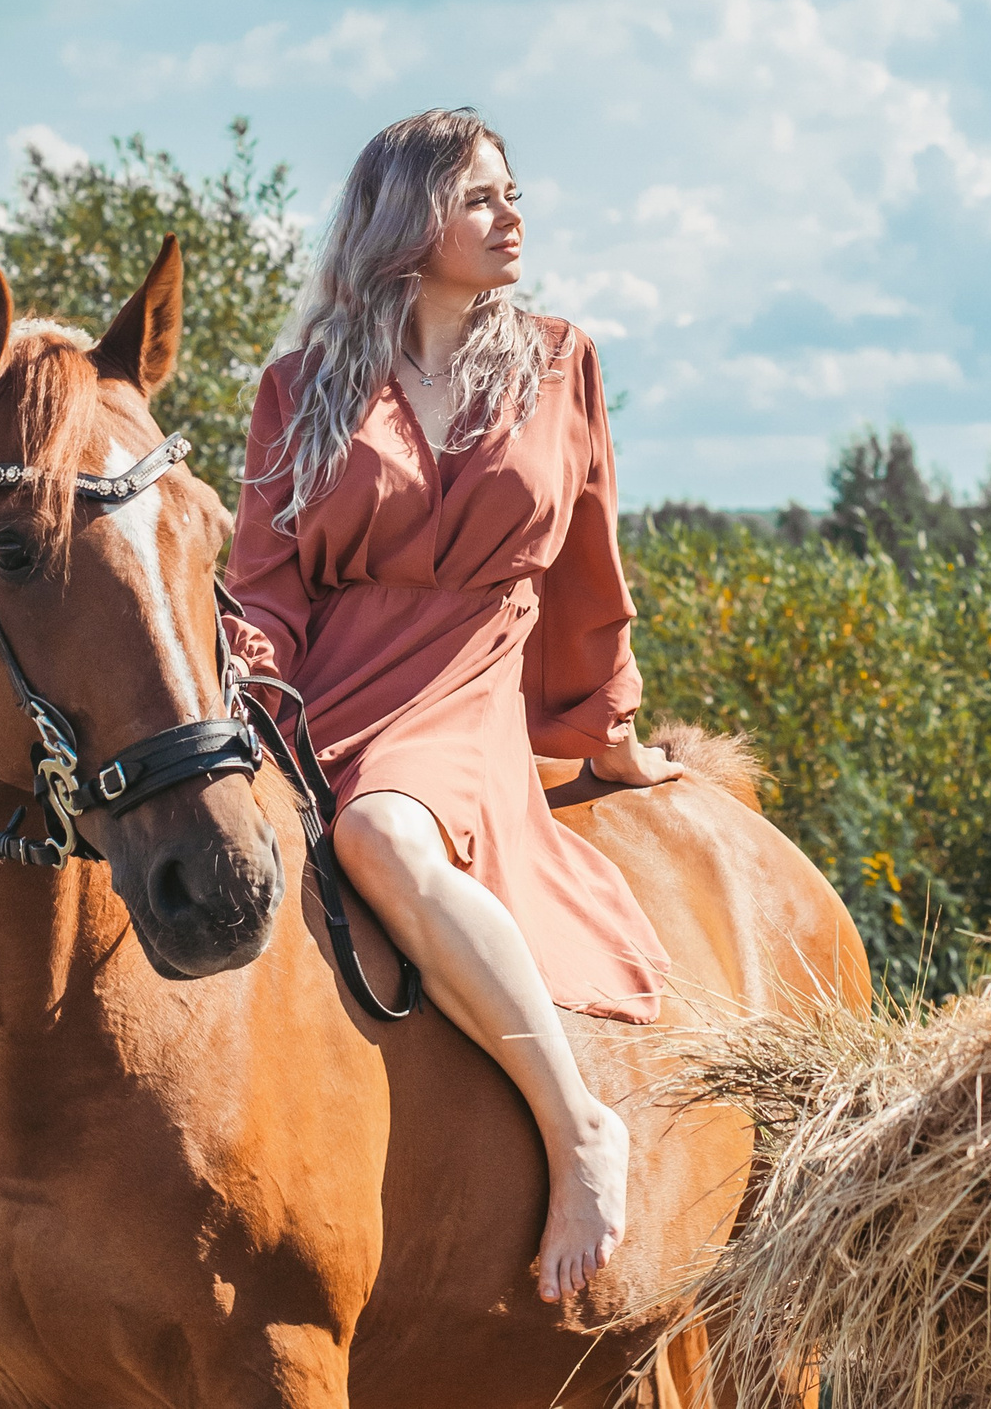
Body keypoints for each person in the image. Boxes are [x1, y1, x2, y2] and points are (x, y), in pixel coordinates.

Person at [222, 107, 685, 1305]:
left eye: (513, 193)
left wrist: (604, 728)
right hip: (322, 693)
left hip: (472, 680)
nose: (512, 214)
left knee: (379, 833)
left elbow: (591, 557)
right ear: (407, 217)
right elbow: (262, 589)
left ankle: (578, 1125)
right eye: (481, 196)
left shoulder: (557, 357)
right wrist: (238, 707)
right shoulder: (300, 386)